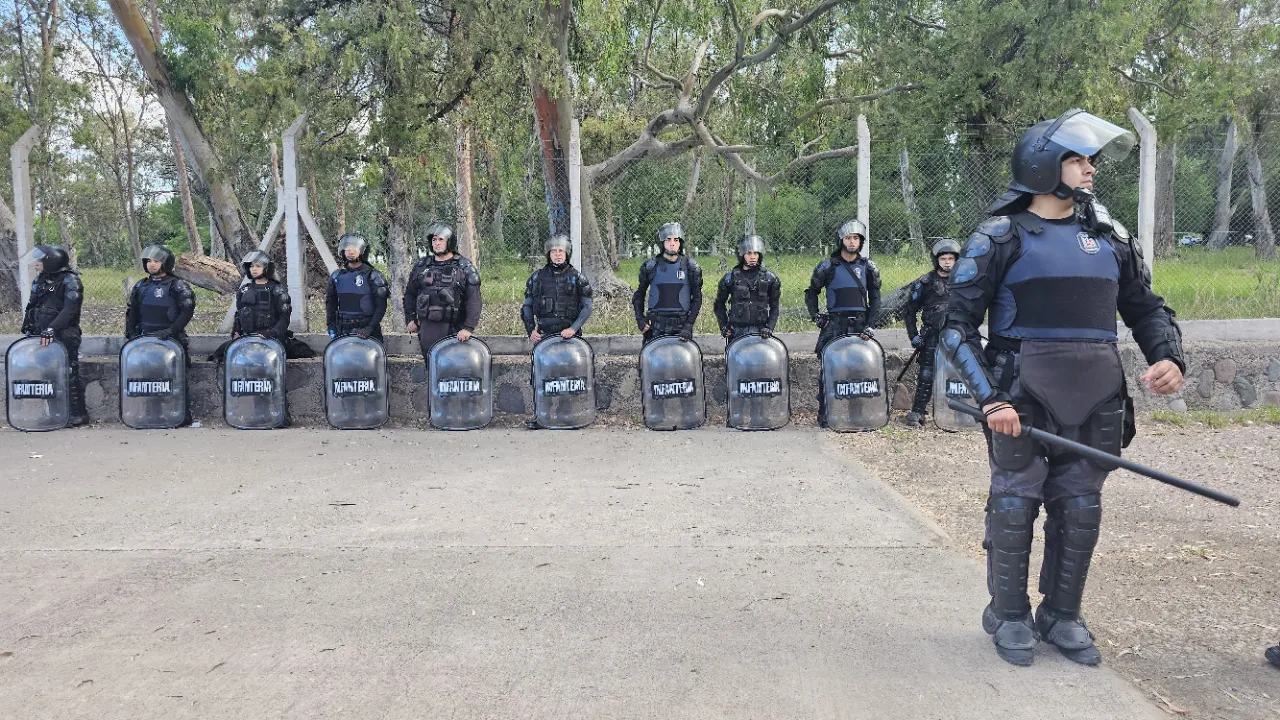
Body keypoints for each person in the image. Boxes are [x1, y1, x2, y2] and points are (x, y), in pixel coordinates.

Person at [942, 109, 1186, 667]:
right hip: (1020, 394)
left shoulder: (1112, 237)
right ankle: (1008, 614)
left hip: (1098, 393)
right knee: (1015, 502)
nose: (1090, 168)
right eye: (1077, 158)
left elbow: (1146, 308)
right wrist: (990, 399)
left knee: (1080, 507)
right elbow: (954, 330)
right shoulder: (997, 238)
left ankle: (1062, 613)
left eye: (1090, 159)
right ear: (1043, 164)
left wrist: (1168, 356)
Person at [805, 220, 881, 425]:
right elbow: (811, 293)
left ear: (861, 241)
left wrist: (871, 325)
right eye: (848, 238)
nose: (852, 242)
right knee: (828, 369)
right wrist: (817, 317)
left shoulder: (868, 267)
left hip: (859, 325)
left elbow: (875, 298)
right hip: (835, 324)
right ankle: (825, 415)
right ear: (841, 240)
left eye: (856, 238)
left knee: (859, 369)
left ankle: (856, 414)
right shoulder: (828, 266)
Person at [21, 244, 87, 426]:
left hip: (65, 334)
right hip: (42, 336)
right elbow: (32, 305)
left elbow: (70, 310)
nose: (36, 263)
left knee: (69, 374)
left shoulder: (70, 281)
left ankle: (76, 414)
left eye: (40, 260)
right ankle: (55, 413)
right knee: (47, 375)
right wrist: (29, 327)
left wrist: (51, 328)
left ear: (51, 261)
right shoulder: (40, 280)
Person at [209, 250, 315, 361]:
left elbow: (284, 318)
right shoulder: (244, 290)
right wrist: (236, 332)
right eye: (251, 266)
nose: (254, 269)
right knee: (221, 353)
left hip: (271, 338)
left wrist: (271, 333)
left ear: (267, 268)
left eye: (258, 266)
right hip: (247, 338)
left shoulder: (277, 290)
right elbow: (238, 314)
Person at [902, 238, 960, 427]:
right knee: (927, 374)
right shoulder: (924, 283)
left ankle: (960, 412)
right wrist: (914, 337)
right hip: (931, 336)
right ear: (937, 260)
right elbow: (910, 312)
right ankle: (918, 412)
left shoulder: (964, 281)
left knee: (959, 373)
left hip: (957, 335)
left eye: (951, 258)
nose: (947, 262)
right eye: (943, 258)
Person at [404, 222, 481, 359]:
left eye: (441, 240)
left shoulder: (464, 268)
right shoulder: (421, 267)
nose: (437, 243)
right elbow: (410, 294)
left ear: (449, 242)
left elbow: (473, 300)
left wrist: (468, 328)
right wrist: (410, 318)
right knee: (432, 367)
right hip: (427, 328)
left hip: (454, 329)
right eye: (434, 240)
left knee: (452, 368)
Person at [632, 222, 703, 344]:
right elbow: (639, 295)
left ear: (680, 242)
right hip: (656, 325)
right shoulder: (651, 267)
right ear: (662, 243)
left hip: (681, 325)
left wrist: (689, 325)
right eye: (668, 239)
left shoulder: (690, 267)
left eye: (676, 240)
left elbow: (697, 298)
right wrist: (640, 320)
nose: (672, 243)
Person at [522, 235, 593, 343]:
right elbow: (527, 306)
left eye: (561, 251)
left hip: (570, 336)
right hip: (544, 335)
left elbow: (587, 307)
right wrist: (530, 330)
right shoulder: (537, 277)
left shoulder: (577, 278)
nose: (557, 254)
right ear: (549, 254)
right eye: (554, 251)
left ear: (567, 254)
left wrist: (573, 329)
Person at [713, 234, 781, 341]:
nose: (753, 257)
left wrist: (769, 327)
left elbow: (775, 306)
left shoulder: (769, 279)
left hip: (761, 331)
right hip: (737, 330)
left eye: (755, 253)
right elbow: (719, 305)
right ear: (742, 255)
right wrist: (724, 326)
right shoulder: (730, 279)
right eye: (749, 253)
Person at [326, 233, 389, 341]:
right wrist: (331, 327)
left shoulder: (373, 276)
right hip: (342, 331)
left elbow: (381, 306)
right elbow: (330, 304)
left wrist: (370, 327)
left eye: (354, 248)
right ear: (342, 251)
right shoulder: (337, 276)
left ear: (362, 251)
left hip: (367, 332)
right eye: (347, 248)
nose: (351, 251)